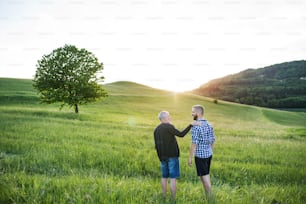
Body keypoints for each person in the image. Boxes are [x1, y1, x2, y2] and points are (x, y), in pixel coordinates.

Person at [154, 111, 194, 201]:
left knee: (164, 177)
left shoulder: (156, 130)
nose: (170, 118)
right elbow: (181, 134)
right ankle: (173, 199)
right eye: (168, 117)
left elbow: (157, 145)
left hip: (162, 157)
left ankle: (164, 197)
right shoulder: (169, 127)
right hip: (172, 156)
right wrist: (190, 125)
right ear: (164, 118)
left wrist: (160, 157)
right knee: (173, 178)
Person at [188, 105, 215, 199]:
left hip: (200, 156)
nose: (192, 114)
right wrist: (211, 152)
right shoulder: (209, 124)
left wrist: (190, 157)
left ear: (198, 113)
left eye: (193, 112)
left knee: (204, 177)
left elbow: (194, 143)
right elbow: (212, 140)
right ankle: (208, 196)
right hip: (208, 154)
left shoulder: (196, 126)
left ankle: (211, 198)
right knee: (206, 176)